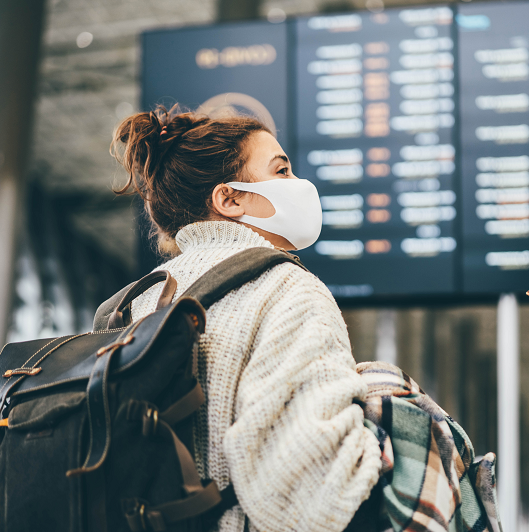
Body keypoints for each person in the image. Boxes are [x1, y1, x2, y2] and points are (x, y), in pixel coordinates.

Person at [111, 106, 382, 532]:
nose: (299, 185)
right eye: (282, 171)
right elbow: (307, 499)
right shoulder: (285, 289)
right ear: (229, 198)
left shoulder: (130, 305)